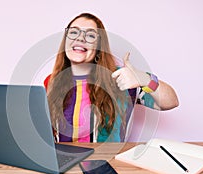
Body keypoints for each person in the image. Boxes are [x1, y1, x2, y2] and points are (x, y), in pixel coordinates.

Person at [44, 13, 179, 143]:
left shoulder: (121, 78)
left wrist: (143, 79)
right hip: (63, 163)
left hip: (108, 163)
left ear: (98, 47)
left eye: (90, 35)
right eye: (73, 32)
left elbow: (171, 101)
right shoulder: (51, 81)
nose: (80, 38)